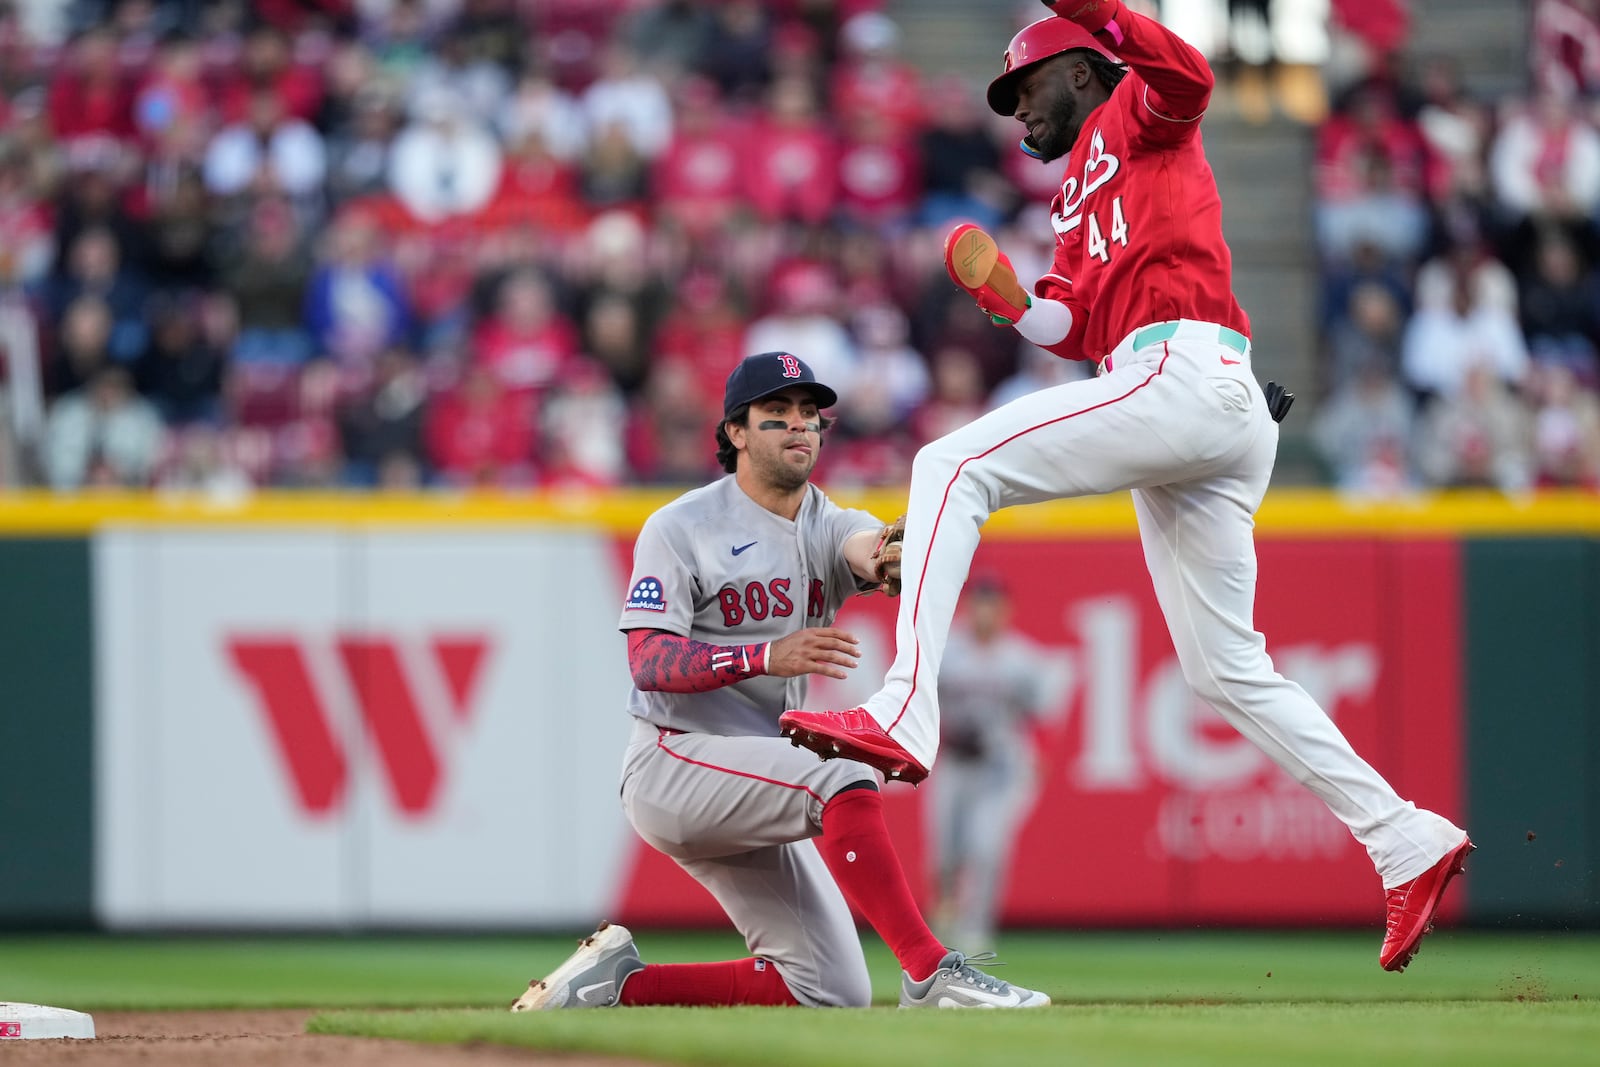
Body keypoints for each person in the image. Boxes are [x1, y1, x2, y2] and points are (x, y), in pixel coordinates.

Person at [779, 1, 1474, 974]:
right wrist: (1012, 305)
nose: (1016, 114)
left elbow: (1188, 71)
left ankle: (903, 703)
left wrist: (1093, 12)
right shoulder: (1071, 199)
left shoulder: (1138, 112)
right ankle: (1402, 835)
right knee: (1222, 667)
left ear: (1077, 69)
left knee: (948, 462)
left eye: (1024, 89)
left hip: (1181, 372)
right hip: (1193, 398)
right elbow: (1069, 327)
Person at [512, 352, 1049, 1011]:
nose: (800, 426)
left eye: (810, 414)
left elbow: (866, 545)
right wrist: (764, 655)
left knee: (831, 988)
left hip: (756, 774)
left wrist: (892, 556)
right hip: (673, 759)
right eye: (778, 414)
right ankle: (932, 974)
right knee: (844, 774)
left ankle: (617, 985)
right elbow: (648, 662)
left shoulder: (825, 519)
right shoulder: (681, 527)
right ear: (736, 431)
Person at [927, 575, 1048, 953]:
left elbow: (1038, 717)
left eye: (993, 605)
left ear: (1005, 611)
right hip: (954, 762)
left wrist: (1037, 759)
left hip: (999, 768)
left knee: (986, 847)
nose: (986, 612)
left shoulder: (1022, 659)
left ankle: (975, 932)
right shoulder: (946, 652)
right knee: (945, 852)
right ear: (968, 608)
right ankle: (943, 918)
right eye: (980, 604)